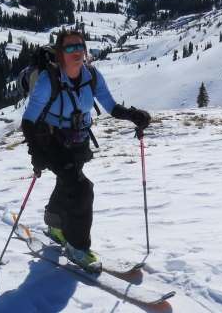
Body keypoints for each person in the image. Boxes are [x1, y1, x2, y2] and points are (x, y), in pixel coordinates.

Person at [20, 30, 151, 271]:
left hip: (79, 141)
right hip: (52, 141)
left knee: (68, 182)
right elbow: (28, 119)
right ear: (60, 53)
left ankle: (55, 224)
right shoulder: (49, 80)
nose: (77, 51)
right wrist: (35, 152)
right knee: (81, 190)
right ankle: (76, 246)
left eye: (80, 46)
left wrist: (133, 114)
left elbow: (111, 106)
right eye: (69, 48)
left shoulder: (91, 75)